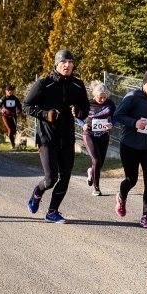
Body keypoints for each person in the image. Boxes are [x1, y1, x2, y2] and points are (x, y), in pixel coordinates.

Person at [24, 49, 90, 224]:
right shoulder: (44, 84)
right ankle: (37, 192)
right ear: (56, 64)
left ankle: (52, 212)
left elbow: (85, 108)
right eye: (63, 62)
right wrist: (46, 115)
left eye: (70, 62)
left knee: (65, 177)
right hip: (47, 138)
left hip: (67, 139)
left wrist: (79, 111)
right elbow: (26, 106)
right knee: (51, 178)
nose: (67, 65)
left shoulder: (78, 85)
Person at [112, 69, 147, 228]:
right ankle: (121, 197)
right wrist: (134, 123)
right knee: (131, 179)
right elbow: (117, 115)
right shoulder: (132, 97)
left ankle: (146, 216)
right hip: (130, 145)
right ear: (144, 83)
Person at [81, 80, 116, 196]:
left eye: (104, 97)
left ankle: (91, 172)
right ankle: (96, 188)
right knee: (96, 160)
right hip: (89, 134)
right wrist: (83, 124)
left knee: (100, 163)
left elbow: (115, 117)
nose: (102, 99)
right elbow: (78, 116)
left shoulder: (110, 104)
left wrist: (112, 124)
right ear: (95, 95)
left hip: (103, 135)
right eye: (100, 97)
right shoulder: (88, 104)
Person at [0, 84, 22, 149]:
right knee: (9, 129)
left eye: (11, 90)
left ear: (13, 91)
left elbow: (20, 106)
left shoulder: (15, 99)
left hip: (13, 116)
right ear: (6, 91)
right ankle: (12, 144)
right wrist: (2, 110)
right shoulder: (4, 98)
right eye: (8, 90)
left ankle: (14, 142)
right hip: (6, 116)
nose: (10, 91)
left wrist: (19, 111)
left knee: (14, 130)